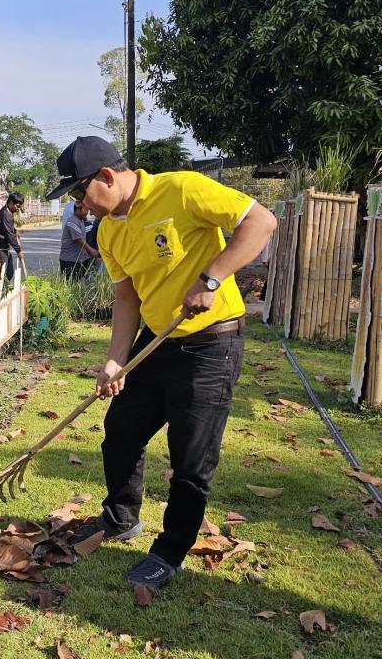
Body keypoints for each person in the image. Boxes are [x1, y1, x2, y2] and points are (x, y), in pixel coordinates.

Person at [46, 135, 277, 589]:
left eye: (78, 192)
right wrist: (115, 361)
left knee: (190, 459)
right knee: (122, 432)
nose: (79, 204)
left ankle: (170, 551)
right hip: (157, 343)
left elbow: (261, 222)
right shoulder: (110, 231)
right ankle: (121, 516)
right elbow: (126, 299)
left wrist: (211, 279)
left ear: (106, 177)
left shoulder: (183, 189)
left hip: (211, 345)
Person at [0, 191, 26, 282]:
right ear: (10, 203)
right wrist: (18, 250)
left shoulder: (8, 212)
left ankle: (5, 292)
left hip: (4, 247)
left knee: (9, 273)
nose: (18, 209)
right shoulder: (5, 214)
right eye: (17, 206)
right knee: (2, 274)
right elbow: (9, 235)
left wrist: (14, 230)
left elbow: (8, 228)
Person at [59, 201, 97, 279]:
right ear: (78, 210)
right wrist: (91, 250)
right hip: (69, 261)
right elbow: (80, 240)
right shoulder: (72, 222)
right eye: (85, 210)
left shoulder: (81, 221)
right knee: (71, 285)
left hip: (78, 260)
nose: (87, 213)